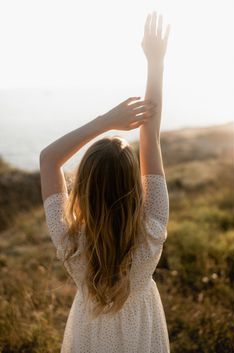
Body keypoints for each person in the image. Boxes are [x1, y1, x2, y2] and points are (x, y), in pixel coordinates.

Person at [40, 11, 171, 353]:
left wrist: (105, 121)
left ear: (82, 186)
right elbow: (150, 139)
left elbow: (48, 159)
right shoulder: (152, 227)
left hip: (89, 337)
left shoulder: (70, 238)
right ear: (134, 183)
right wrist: (155, 62)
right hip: (143, 333)